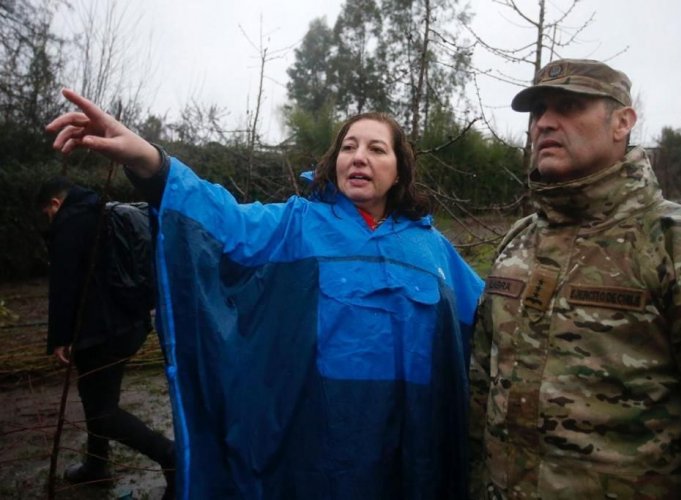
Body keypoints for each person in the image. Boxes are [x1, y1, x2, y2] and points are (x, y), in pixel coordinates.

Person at [46, 90, 485, 499]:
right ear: (335, 161)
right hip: (321, 447)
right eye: (349, 146)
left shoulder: (432, 250)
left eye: (376, 149)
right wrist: (149, 160)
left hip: (413, 446)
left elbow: (489, 320)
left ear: (399, 171)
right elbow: (221, 221)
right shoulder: (298, 225)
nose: (359, 157)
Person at [469, 58, 681, 499]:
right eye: (538, 110)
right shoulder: (517, 244)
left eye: (568, 107)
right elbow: (480, 392)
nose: (545, 123)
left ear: (622, 122)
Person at [36, 177, 175, 496]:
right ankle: (96, 465)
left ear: (55, 204)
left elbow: (65, 285)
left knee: (103, 410)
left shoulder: (71, 222)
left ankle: (170, 455)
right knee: (94, 395)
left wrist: (60, 337)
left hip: (104, 333)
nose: (49, 220)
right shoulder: (100, 211)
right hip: (128, 324)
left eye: (47, 213)